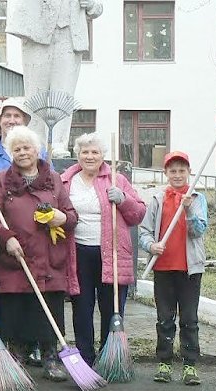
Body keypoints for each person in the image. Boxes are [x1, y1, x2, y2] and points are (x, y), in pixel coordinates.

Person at [0, 126, 79, 382]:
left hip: (49, 258)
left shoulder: (54, 179)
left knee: (50, 311)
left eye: (27, 147)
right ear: (11, 153)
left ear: (37, 150)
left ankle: (51, 358)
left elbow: (72, 216)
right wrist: (6, 238)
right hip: (16, 258)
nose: (23, 152)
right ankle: (17, 359)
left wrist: (61, 217)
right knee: (15, 311)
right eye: (17, 149)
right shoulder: (1, 179)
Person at [59, 132, 146, 366]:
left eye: (94, 152)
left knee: (112, 307)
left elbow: (138, 213)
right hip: (78, 252)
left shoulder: (117, 179)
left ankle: (110, 358)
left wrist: (123, 199)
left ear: (103, 156)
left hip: (112, 253)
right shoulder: (66, 181)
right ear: (76, 155)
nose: (89, 156)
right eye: (85, 152)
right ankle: (86, 358)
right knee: (82, 308)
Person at [0, 97, 46, 367]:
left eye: (17, 115)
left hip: (28, 234)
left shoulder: (39, 151)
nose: (11, 120)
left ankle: (32, 344)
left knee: (29, 289)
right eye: (7, 116)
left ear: (25, 121)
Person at [139, 151, 208, 386]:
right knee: (164, 319)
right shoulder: (158, 199)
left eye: (182, 170)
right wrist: (151, 245)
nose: (177, 175)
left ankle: (189, 365)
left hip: (190, 270)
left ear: (189, 172)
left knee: (189, 319)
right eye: (173, 171)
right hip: (164, 268)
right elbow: (144, 232)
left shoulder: (197, 198)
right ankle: (165, 362)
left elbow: (198, 231)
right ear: (165, 173)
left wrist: (188, 210)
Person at [6, 0, 103, 157]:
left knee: (64, 96)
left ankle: (59, 144)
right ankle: (35, 144)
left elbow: (97, 9)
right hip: (36, 35)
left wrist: (90, 4)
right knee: (36, 95)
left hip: (69, 37)